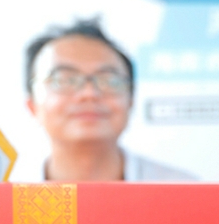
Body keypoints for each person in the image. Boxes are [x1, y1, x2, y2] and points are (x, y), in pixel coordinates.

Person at [24, 18, 195, 181]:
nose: (89, 94)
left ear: (131, 101)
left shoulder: (182, 191)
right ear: (32, 105)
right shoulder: (11, 190)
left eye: (109, 81)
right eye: (65, 80)